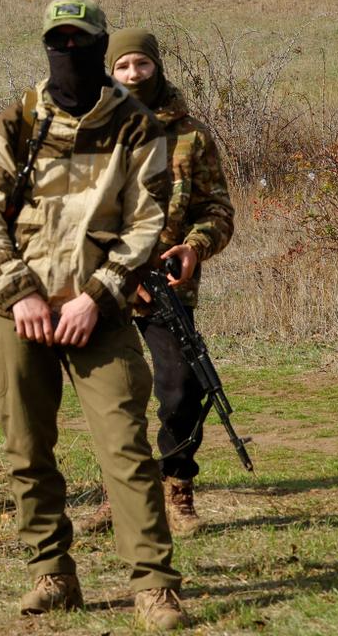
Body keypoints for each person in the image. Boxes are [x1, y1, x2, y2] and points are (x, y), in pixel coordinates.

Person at [0, 0, 187, 630]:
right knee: (27, 445)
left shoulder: (138, 126)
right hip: (21, 309)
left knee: (126, 446)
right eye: (57, 42)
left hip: (102, 311)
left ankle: (153, 584)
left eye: (80, 42)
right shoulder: (16, 122)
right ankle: (52, 572)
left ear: (100, 44)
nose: (69, 53)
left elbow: (148, 224)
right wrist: (20, 293)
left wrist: (97, 296)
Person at [90, 28, 235, 535]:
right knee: (115, 396)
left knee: (181, 389)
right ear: (110, 70)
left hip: (168, 290)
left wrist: (193, 249)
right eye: (124, 66)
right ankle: (121, 494)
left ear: (157, 67)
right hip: (102, 288)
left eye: (142, 65)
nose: (134, 74)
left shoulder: (192, 135)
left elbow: (216, 209)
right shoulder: (93, 131)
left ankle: (177, 487)